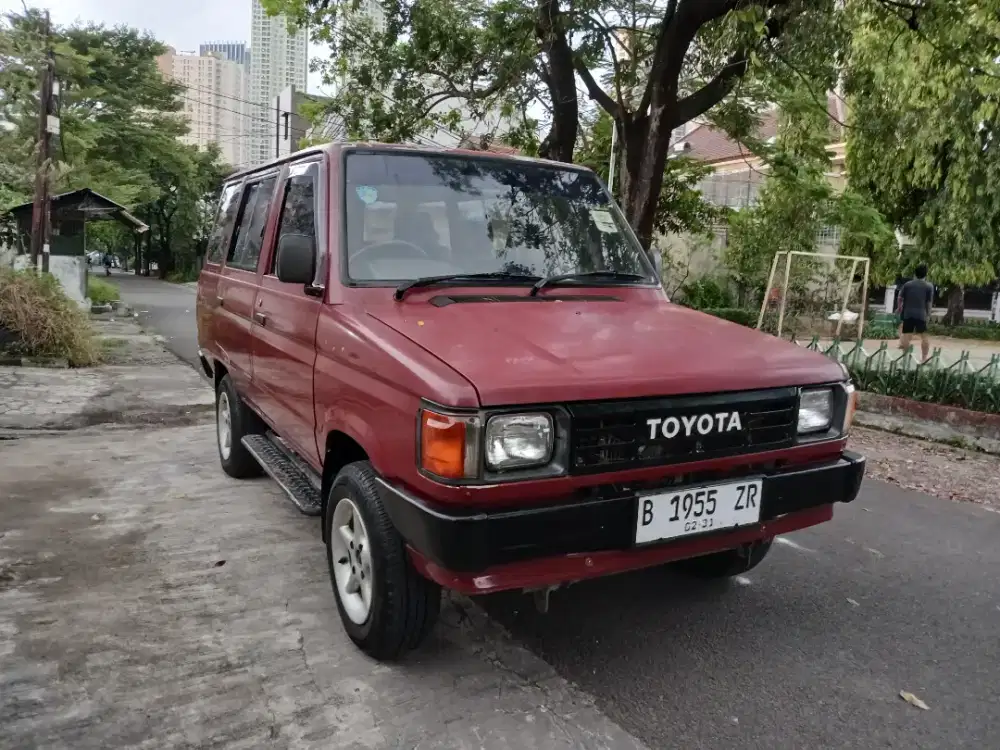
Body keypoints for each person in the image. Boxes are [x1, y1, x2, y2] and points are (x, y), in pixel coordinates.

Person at [896, 263, 934, 361]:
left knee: (906, 336)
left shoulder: (908, 284)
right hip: (921, 315)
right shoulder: (929, 286)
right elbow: (929, 302)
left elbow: (900, 297)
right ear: (926, 274)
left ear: (915, 273)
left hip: (908, 314)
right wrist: (928, 314)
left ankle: (904, 358)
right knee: (924, 337)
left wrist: (899, 308)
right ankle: (924, 358)